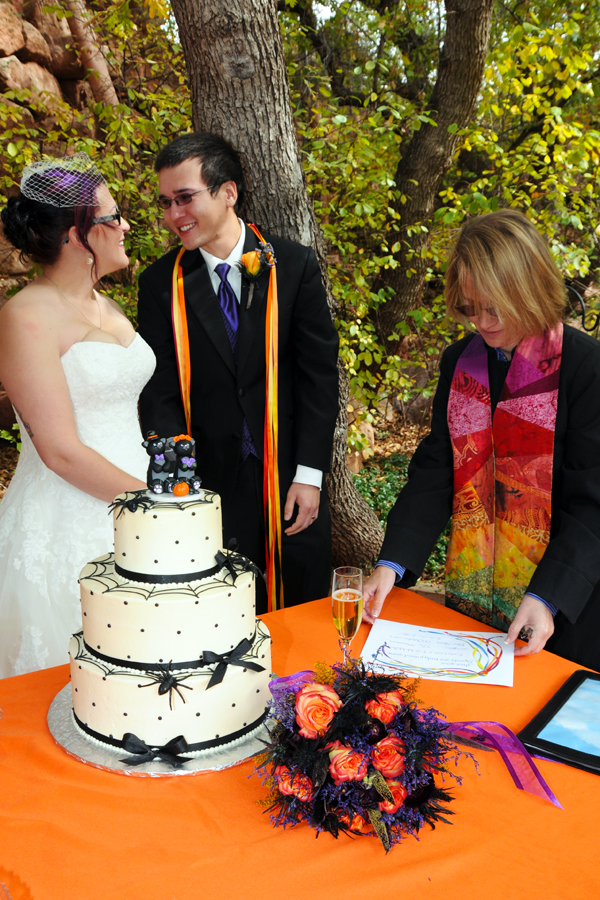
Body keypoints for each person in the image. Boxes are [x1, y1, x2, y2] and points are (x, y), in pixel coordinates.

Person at [363, 208, 600, 672]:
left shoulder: (585, 367)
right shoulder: (461, 362)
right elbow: (437, 467)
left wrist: (547, 597)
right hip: (475, 596)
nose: (482, 323)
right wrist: (391, 563)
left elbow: (594, 501)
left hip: (571, 601)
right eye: (471, 307)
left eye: (495, 307)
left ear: (529, 289)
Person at [137, 133, 339, 614]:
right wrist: (178, 486)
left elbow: (318, 377)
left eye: (185, 198)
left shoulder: (291, 265)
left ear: (228, 192)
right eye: (166, 203)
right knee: (219, 619)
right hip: (209, 481)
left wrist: (310, 475)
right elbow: (159, 387)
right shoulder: (159, 285)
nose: (174, 216)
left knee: (301, 615)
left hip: (289, 478)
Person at [0, 153, 155, 678]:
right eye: (113, 217)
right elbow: (60, 451)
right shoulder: (26, 315)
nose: (126, 225)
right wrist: (154, 504)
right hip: (69, 516)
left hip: (137, 501)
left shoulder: (108, 307)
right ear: (75, 234)